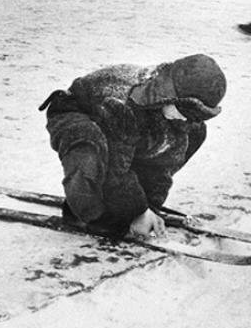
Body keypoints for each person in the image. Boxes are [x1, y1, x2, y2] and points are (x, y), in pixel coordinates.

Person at [39, 54, 227, 239]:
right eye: (185, 111)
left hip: (131, 124)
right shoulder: (126, 102)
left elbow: (162, 168)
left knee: (191, 135)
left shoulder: (182, 121)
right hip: (78, 112)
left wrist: (148, 209)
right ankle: (85, 213)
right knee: (89, 155)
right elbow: (116, 167)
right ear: (169, 96)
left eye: (196, 116)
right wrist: (136, 212)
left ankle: (119, 207)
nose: (187, 119)